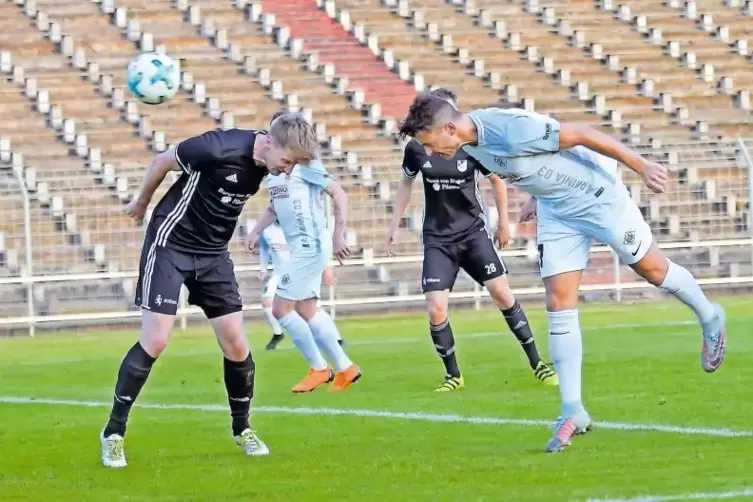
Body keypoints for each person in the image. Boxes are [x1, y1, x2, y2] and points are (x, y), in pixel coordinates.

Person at [397, 93, 727, 452]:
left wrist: (642, 165)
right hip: (558, 211)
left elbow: (582, 134)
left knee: (653, 270)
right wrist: (536, 194)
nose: (431, 153)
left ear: (448, 128)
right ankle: (573, 410)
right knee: (558, 301)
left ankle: (710, 316)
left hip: (596, 197)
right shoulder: (464, 141)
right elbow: (537, 164)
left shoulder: (509, 128)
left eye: (431, 143)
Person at [101, 113, 324, 467]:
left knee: (236, 344)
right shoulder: (217, 147)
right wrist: (142, 202)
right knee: (157, 340)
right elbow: (162, 161)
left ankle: (242, 428)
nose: (286, 170)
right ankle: (113, 432)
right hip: (170, 244)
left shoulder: (272, 164)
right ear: (268, 142)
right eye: (285, 162)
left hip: (213, 254)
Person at [386, 88, 557, 392]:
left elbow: (496, 180)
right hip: (438, 238)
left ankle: (537, 363)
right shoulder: (416, 149)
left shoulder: (470, 145)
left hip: (473, 233)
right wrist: (394, 225)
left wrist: (504, 223)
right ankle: (454, 376)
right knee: (436, 308)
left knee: (502, 294)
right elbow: (405, 183)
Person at [246, 113, 360, 393]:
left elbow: (339, 194)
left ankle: (319, 369)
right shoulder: (275, 170)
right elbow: (275, 207)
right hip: (301, 247)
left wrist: (338, 234)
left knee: (280, 309)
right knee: (307, 310)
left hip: (310, 246)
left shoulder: (306, 165)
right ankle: (346, 368)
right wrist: (256, 230)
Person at [256, 220, 344, 350]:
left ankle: (337, 338)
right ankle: (278, 334)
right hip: (279, 274)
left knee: (312, 309)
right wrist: (263, 269)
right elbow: (264, 249)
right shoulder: (267, 231)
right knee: (267, 302)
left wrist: (326, 268)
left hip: (300, 273)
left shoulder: (297, 227)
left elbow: (316, 247)